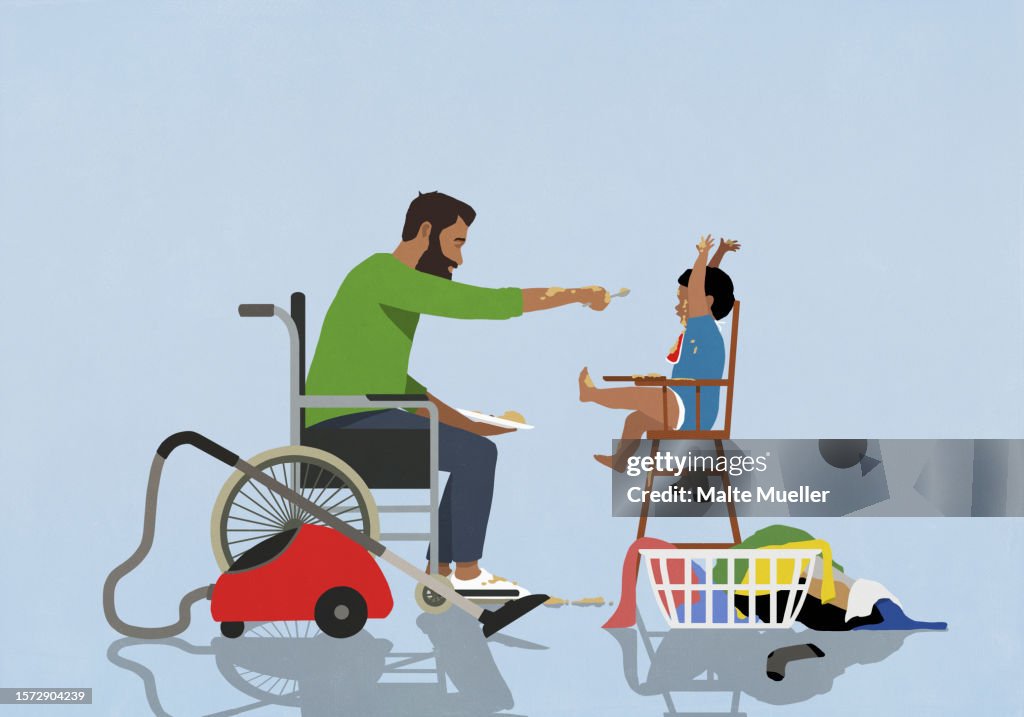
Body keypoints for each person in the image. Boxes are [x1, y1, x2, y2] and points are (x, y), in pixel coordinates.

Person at [304, 191, 611, 599]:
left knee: (473, 447)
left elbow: (394, 384)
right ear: (426, 231)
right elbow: (481, 303)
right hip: (341, 428)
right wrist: (573, 295)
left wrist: (468, 424)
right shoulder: (384, 276)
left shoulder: (382, 281)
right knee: (476, 454)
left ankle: (441, 571)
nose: (459, 259)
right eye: (456, 243)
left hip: (351, 418)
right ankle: (466, 573)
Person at [579, 235, 739, 470]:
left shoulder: (703, 326)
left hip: (691, 408)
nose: (678, 306)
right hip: (686, 400)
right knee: (636, 419)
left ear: (705, 302)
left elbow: (698, 287)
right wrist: (720, 253)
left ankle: (592, 395)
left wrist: (703, 253)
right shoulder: (702, 328)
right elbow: (706, 283)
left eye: (683, 300)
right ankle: (621, 460)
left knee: (638, 397)